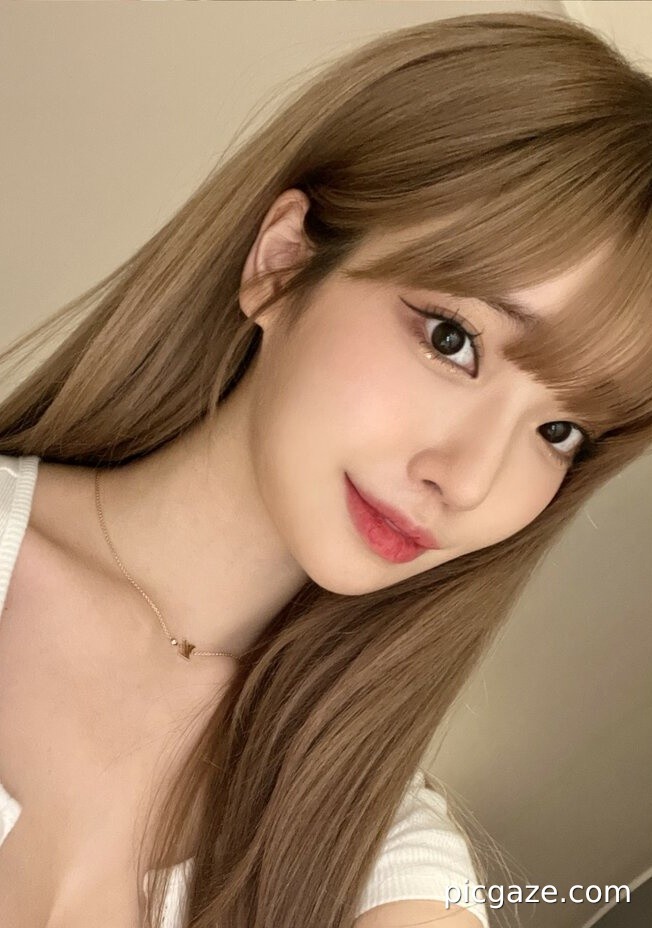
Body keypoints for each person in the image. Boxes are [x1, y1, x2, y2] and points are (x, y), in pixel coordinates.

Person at [1, 9, 651, 928]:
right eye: (453, 340)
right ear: (281, 263)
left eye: (560, 430)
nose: (468, 481)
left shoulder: (377, 848)